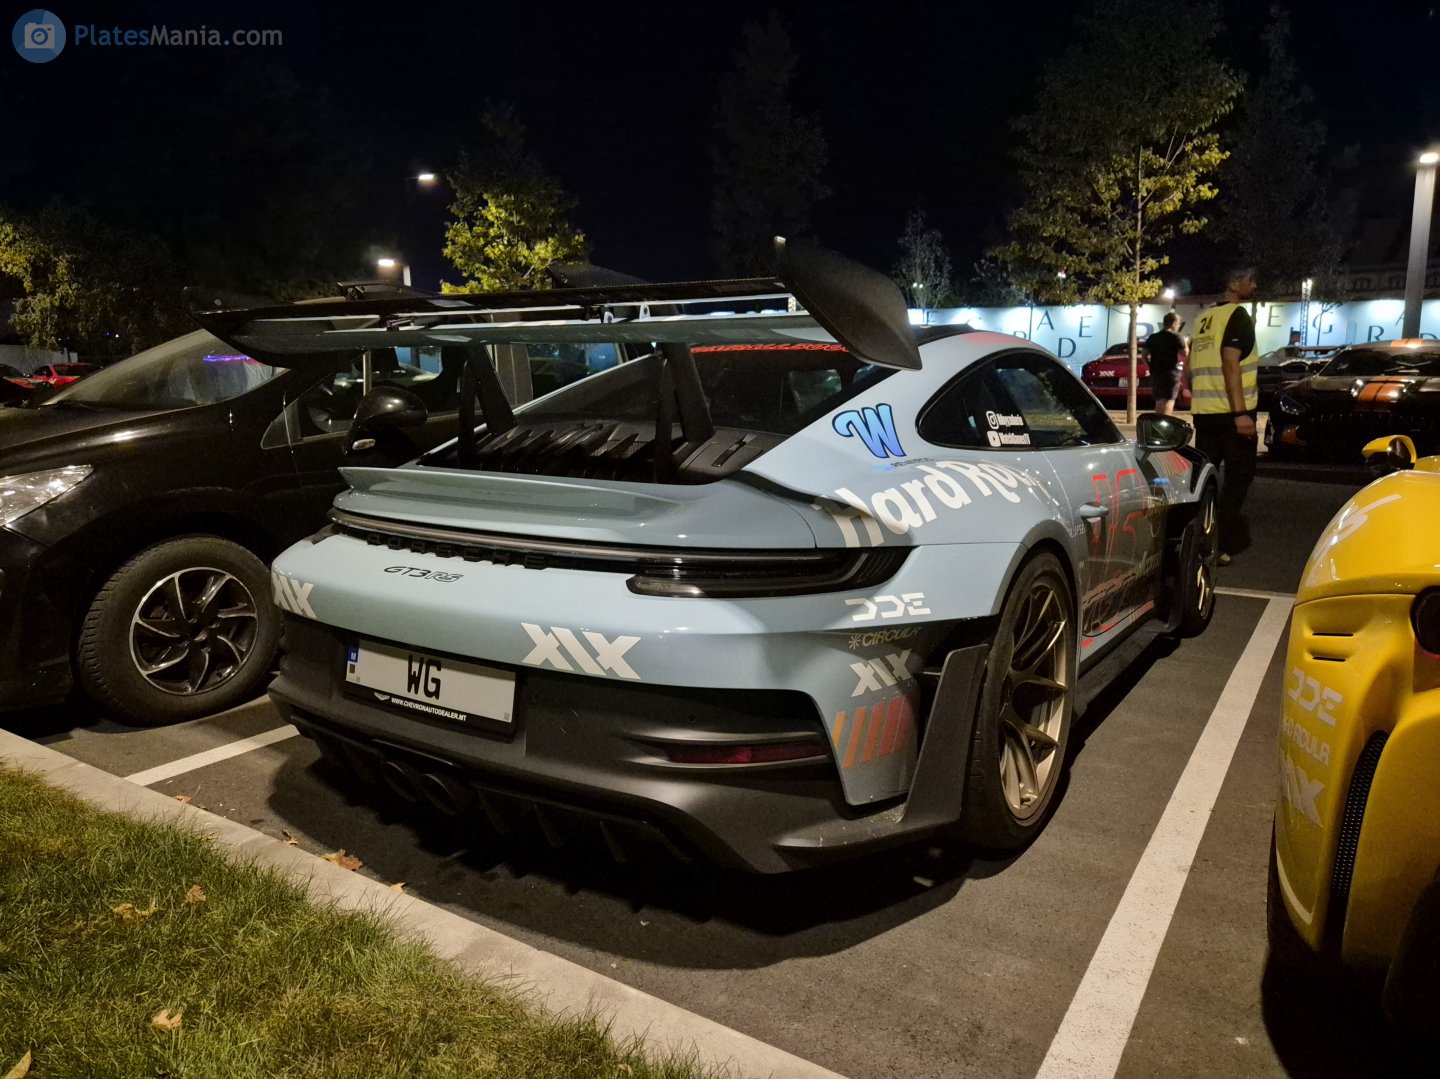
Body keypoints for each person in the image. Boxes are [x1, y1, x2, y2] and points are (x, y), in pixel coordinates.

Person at [1189, 267, 1260, 565]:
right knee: (1239, 478)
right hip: (1232, 417)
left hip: (1205, 414)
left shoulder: (1203, 318)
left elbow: (1191, 364)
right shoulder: (1237, 316)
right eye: (1250, 281)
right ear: (1234, 284)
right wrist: (1241, 415)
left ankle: (1196, 539)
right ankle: (1223, 542)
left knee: (1204, 481)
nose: (1254, 286)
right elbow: (1231, 363)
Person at [1144, 312, 1185, 416]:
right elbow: (1185, 352)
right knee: (1169, 400)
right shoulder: (1176, 336)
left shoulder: (1153, 337)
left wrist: (1151, 366)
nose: (1178, 327)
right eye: (1178, 324)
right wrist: (1185, 342)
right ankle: (1165, 423)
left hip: (1156, 374)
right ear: (1174, 323)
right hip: (1171, 374)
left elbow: (1143, 356)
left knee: (1159, 400)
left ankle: (1158, 424)